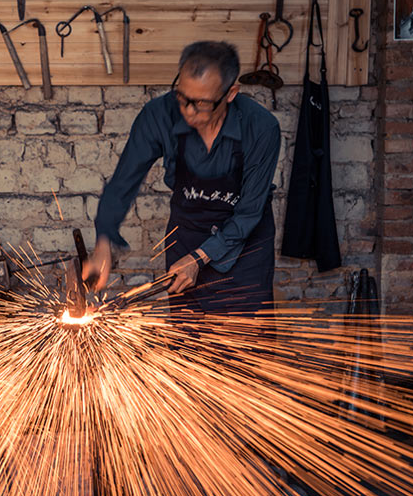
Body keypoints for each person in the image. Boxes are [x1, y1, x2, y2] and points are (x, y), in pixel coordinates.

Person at [83, 41, 281, 315]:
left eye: (201, 103)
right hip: (187, 233)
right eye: (182, 97)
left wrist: (199, 259)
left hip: (243, 245)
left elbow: (249, 213)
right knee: (187, 341)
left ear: (231, 93)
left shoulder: (261, 127)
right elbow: (122, 182)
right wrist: (103, 242)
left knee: (242, 344)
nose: (188, 111)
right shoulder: (158, 115)